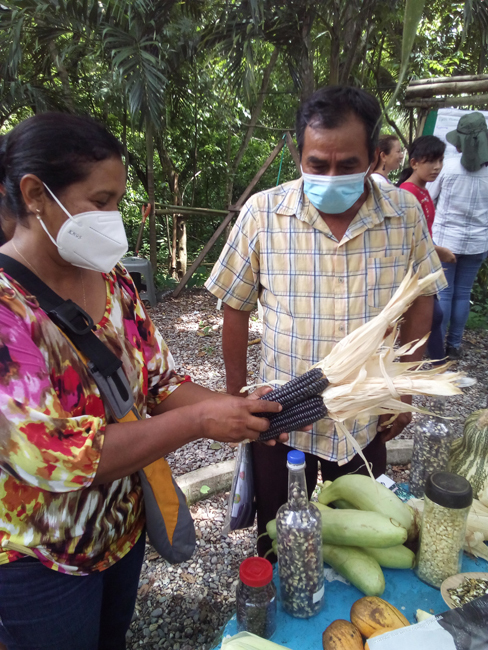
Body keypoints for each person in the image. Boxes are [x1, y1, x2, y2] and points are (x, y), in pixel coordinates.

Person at [0, 113, 286, 650]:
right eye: (101, 201)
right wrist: (201, 420)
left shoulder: (110, 279)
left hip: (121, 531)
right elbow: (61, 458)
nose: (114, 218)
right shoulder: (7, 311)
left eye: (117, 201)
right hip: (40, 559)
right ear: (35, 195)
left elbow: (159, 381)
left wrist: (241, 411)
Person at [205, 85, 447, 558]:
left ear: (376, 157)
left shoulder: (403, 212)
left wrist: (405, 386)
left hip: (364, 414)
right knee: (276, 537)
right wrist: (237, 398)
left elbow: (422, 302)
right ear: (299, 153)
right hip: (280, 415)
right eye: (317, 165)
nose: (330, 176)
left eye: (347, 165)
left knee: (368, 538)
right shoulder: (263, 213)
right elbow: (235, 307)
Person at [428, 112, 488, 360]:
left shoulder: (447, 168)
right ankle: (454, 346)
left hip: (445, 243)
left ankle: (437, 350)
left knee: (445, 292)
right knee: (463, 293)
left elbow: (429, 198)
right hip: (477, 243)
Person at [398, 135, 455, 362]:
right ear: (414, 163)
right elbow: (408, 236)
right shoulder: (407, 193)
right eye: (431, 161)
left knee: (432, 315)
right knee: (432, 315)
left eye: (440, 161)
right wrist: (438, 251)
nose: (437, 167)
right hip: (413, 266)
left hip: (424, 263)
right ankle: (434, 363)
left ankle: (432, 362)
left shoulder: (423, 190)